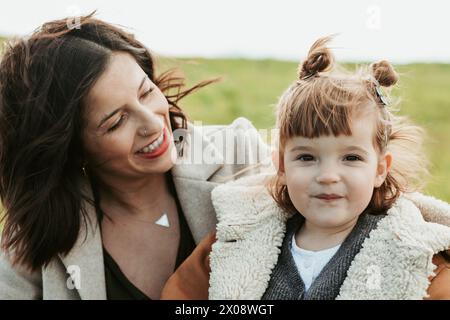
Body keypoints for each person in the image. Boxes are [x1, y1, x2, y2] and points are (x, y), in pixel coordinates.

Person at [0, 13, 269, 300]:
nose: (153, 124)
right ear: (71, 147)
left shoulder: (240, 153)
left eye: (146, 92)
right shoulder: (35, 235)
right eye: (117, 121)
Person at [162, 36, 450, 300]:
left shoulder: (414, 256)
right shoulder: (236, 240)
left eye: (351, 158)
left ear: (379, 169)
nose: (327, 176)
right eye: (306, 158)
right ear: (281, 166)